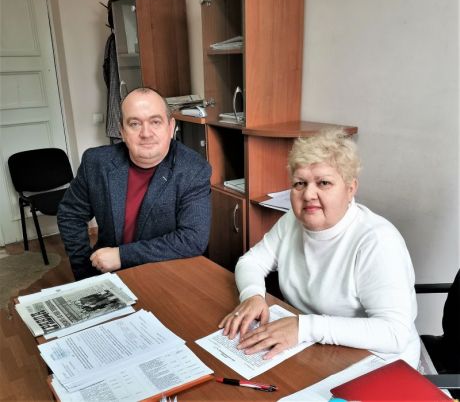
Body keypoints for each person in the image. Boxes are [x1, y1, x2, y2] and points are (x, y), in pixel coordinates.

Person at [219, 128, 420, 367]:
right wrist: (252, 295)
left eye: (324, 183)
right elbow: (251, 262)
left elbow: (394, 333)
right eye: (300, 183)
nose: (308, 194)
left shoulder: (377, 240)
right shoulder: (292, 222)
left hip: (380, 362)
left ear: (350, 188)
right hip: (315, 349)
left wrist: (304, 327)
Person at [57, 87, 211, 280]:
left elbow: (193, 239)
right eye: (135, 124)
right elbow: (70, 214)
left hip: (167, 271)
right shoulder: (96, 163)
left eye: (155, 122)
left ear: (171, 127)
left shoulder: (193, 169)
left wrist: (122, 256)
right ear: (122, 131)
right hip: (108, 273)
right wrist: (85, 273)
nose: (146, 133)